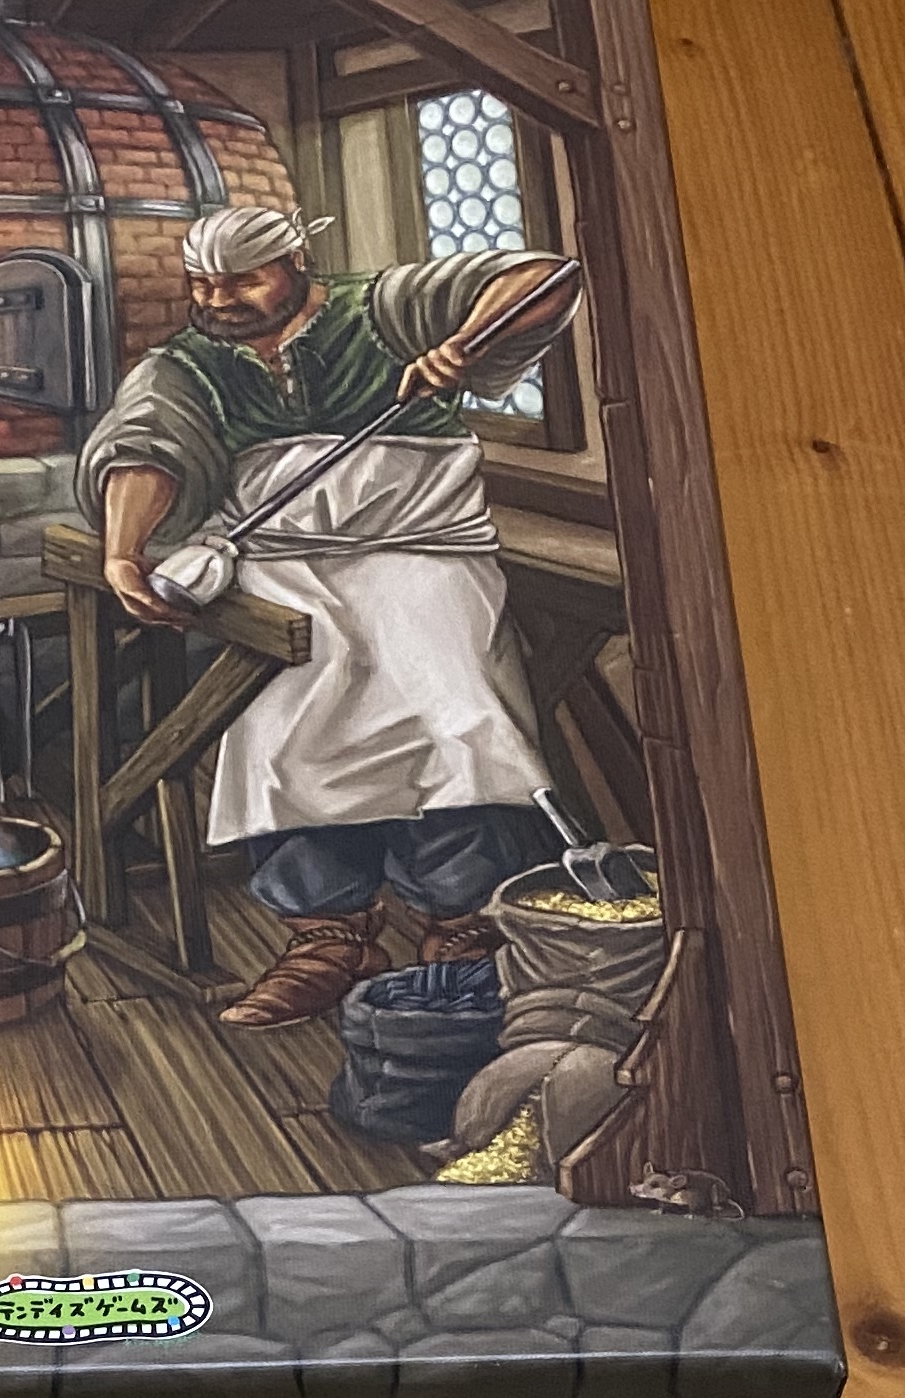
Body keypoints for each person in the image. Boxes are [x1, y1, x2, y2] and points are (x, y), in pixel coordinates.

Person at [79, 202, 579, 1032]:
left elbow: (546, 279)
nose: (217, 300)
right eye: (202, 284)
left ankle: (462, 927)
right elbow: (145, 442)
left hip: (425, 554)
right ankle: (327, 937)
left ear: (296, 263)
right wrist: (122, 552)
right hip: (283, 564)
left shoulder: (384, 308)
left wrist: (462, 343)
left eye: (241, 281)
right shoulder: (187, 364)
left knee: (456, 722)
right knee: (284, 734)